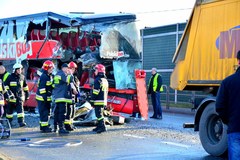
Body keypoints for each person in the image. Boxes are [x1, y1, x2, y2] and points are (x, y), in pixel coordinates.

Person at [215, 50, 240, 159]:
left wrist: (228, 121)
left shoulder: (227, 82)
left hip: (235, 127)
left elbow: (219, 107)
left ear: (238, 61)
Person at [52, 63, 78, 134]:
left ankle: (56, 127)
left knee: (57, 112)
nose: (68, 70)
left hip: (59, 96)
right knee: (62, 113)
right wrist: (70, 74)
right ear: (63, 68)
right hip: (62, 96)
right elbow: (68, 80)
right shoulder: (62, 74)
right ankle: (61, 128)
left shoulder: (58, 74)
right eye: (67, 68)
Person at [4, 63, 29, 127]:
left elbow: (25, 86)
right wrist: (9, 93)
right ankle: (9, 122)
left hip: (19, 97)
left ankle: (21, 122)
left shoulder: (22, 77)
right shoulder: (10, 77)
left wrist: (27, 94)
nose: (20, 71)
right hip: (11, 98)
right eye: (18, 69)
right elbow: (5, 85)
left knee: (20, 111)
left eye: (21, 69)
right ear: (15, 70)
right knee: (9, 111)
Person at [35, 60, 55, 133]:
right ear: (47, 68)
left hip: (44, 97)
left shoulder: (48, 76)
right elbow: (42, 88)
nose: (52, 70)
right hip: (43, 98)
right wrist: (45, 97)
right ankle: (45, 127)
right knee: (45, 113)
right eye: (51, 68)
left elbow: (49, 86)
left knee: (44, 112)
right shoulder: (44, 77)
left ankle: (42, 126)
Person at [91, 64, 109, 133]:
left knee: (98, 114)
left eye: (95, 70)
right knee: (99, 114)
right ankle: (99, 126)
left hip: (98, 100)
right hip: (103, 100)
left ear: (99, 71)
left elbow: (96, 91)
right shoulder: (105, 80)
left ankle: (102, 126)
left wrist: (92, 99)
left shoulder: (97, 80)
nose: (94, 71)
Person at [64, 61, 80, 131]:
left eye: (73, 69)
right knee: (69, 112)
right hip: (69, 96)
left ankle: (71, 124)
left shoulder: (75, 77)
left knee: (73, 112)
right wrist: (75, 91)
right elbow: (71, 85)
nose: (72, 70)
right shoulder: (68, 76)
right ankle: (67, 125)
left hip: (73, 97)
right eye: (71, 68)